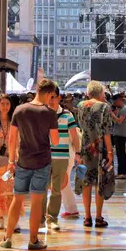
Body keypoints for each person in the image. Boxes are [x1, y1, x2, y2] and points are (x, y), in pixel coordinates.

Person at [0, 79, 59, 250]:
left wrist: (12, 160)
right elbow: (54, 141)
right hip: (42, 161)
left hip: (23, 161)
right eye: (52, 96)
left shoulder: (20, 110)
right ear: (48, 94)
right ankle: (33, 240)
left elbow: (12, 139)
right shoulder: (49, 113)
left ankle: (7, 237)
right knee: (36, 202)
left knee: (17, 199)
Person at [42, 85, 80, 229]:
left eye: (54, 97)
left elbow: (74, 136)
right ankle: (41, 218)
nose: (51, 100)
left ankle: (52, 218)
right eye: (49, 97)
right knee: (43, 188)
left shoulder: (67, 115)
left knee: (57, 188)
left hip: (62, 156)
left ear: (59, 98)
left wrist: (77, 153)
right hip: (44, 156)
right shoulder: (41, 113)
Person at [76, 81, 113, 229]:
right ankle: (98, 217)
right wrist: (110, 152)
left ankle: (87, 216)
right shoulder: (104, 107)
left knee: (86, 181)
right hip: (100, 148)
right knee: (99, 181)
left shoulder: (80, 106)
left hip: (85, 147)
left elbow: (81, 125)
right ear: (100, 93)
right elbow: (106, 132)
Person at [0, 94, 23, 231]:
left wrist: (16, 158)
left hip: (10, 161)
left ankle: (14, 220)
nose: (5, 106)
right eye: (2, 104)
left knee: (12, 192)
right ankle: (0, 219)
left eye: (7, 104)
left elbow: (18, 141)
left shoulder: (15, 121)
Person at [111, 94, 126, 180]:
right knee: (119, 154)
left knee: (121, 154)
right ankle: (120, 172)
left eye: (115, 102)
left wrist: (111, 114)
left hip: (121, 134)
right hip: (118, 134)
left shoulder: (125, 110)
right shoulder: (120, 109)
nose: (114, 104)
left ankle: (122, 173)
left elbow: (119, 121)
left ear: (119, 100)